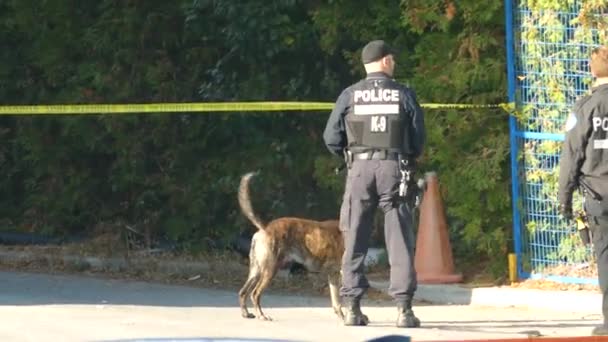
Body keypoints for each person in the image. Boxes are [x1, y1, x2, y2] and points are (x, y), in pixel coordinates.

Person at [322, 40, 426, 327]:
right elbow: (418, 140)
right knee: (400, 240)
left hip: (359, 170)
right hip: (395, 169)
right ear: (385, 61)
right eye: (391, 58)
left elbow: (331, 138)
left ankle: (353, 308)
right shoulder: (404, 94)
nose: (393, 62)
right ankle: (404, 310)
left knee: (354, 236)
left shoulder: (349, 95)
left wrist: (350, 157)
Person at [558, 45, 608, 336]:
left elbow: (571, 156)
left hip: (599, 196)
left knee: (605, 255)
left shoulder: (585, 107)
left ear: (593, 70)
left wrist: (564, 198)